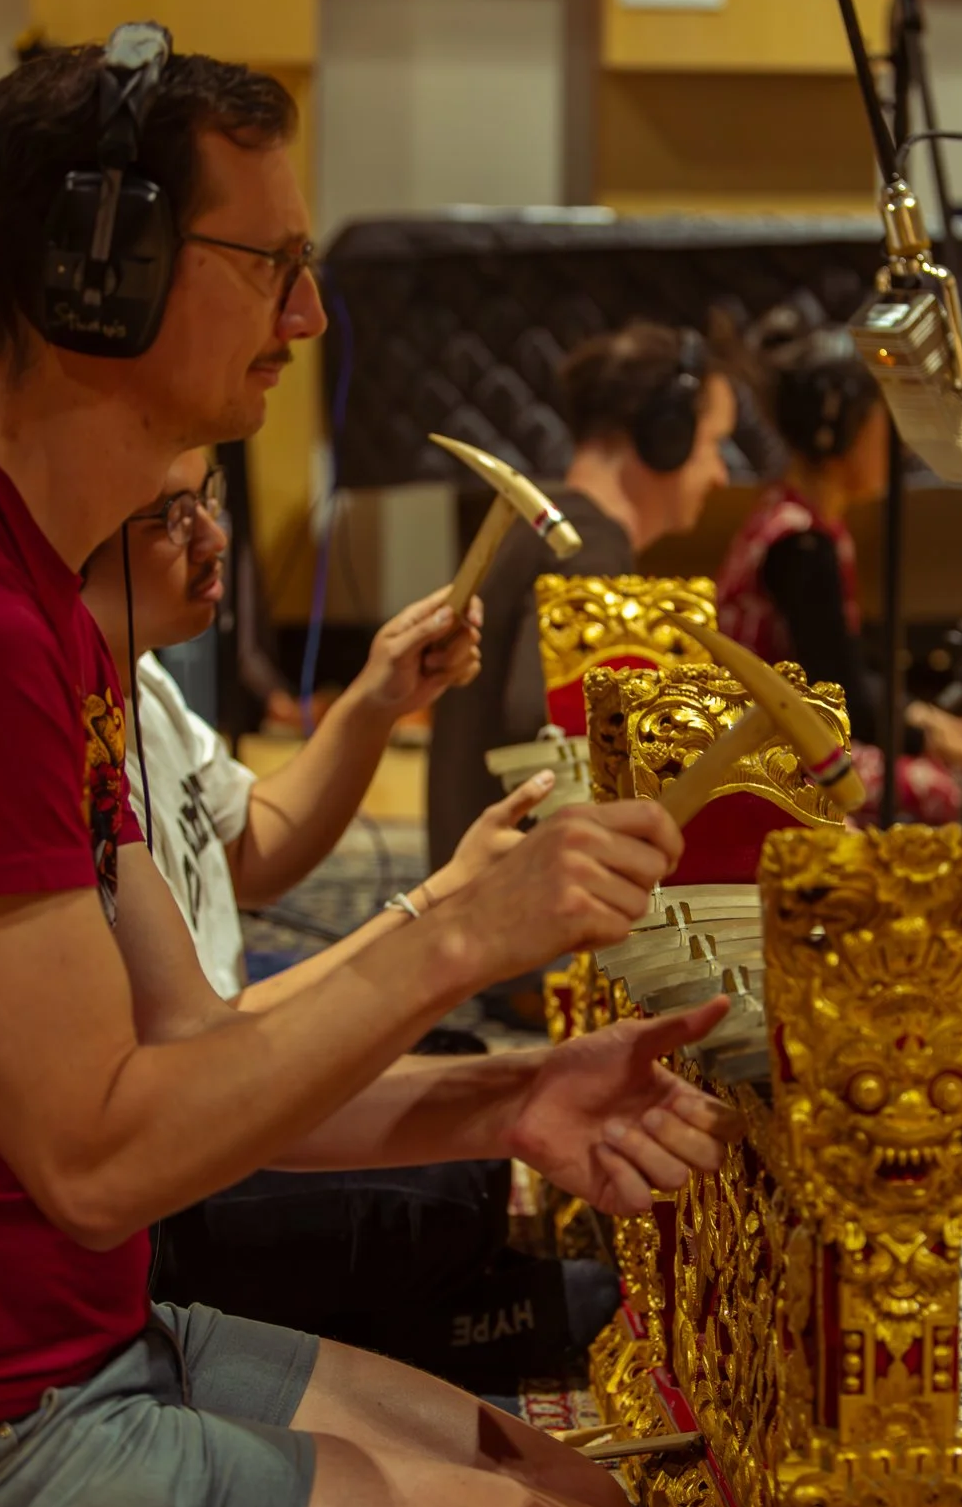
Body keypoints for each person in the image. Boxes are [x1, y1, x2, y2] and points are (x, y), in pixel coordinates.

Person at [0, 38, 736, 1507]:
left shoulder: (52, 610)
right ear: (106, 265)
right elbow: (101, 1157)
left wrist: (510, 1095)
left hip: (97, 1339)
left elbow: (203, 1055)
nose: (306, 320)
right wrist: (457, 929)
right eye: (274, 266)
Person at [79, 454, 615, 1384]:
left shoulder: (147, 685)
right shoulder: (60, 738)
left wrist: (378, 701)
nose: (214, 535)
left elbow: (255, 845)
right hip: (171, 1165)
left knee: (448, 1065)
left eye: (207, 499)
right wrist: (443, 906)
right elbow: (196, 1046)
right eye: (170, 517)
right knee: (452, 1183)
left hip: (222, 1068)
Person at [427, 319, 735, 873]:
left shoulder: (551, 531)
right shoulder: (587, 548)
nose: (721, 475)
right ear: (666, 437)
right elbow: (545, 724)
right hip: (517, 926)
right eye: (713, 444)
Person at [716, 308, 962, 825]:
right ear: (840, 434)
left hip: (796, 731)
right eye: (880, 424)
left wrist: (935, 725)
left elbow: (853, 671)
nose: (893, 443)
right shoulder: (801, 543)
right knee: (938, 789)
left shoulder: (798, 519)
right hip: (773, 750)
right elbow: (843, 699)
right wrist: (942, 742)